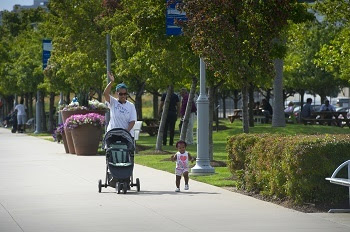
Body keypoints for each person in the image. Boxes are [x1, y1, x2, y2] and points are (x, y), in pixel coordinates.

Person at [103, 72, 137, 137]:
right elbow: (105, 94)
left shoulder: (131, 105)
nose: (123, 96)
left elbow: (132, 121)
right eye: (121, 94)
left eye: (125, 94)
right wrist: (112, 82)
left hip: (126, 134)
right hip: (112, 133)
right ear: (117, 93)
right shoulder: (113, 102)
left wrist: (126, 131)